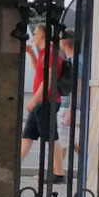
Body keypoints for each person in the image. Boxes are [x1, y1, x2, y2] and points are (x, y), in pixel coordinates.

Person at [23, 23, 72, 180]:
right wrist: (31, 54)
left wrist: (33, 100)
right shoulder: (44, 53)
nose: (34, 36)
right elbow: (39, 72)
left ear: (43, 35)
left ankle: (58, 173)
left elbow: (48, 80)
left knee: (51, 136)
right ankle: (14, 167)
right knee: (27, 136)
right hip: (41, 101)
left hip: (46, 101)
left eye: (36, 33)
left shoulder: (50, 53)